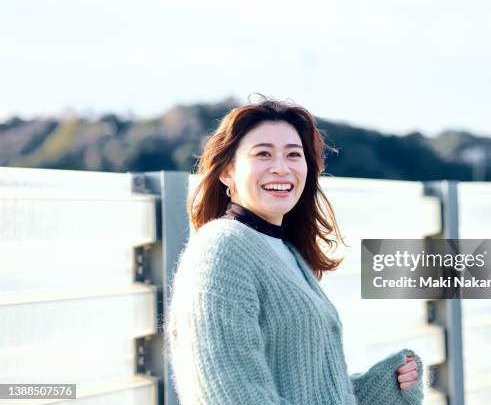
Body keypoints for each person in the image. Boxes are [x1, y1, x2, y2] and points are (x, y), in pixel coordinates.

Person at [164, 96, 425, 404]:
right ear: (227, 172)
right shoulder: (221, 250)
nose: (280, 168)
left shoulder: (286, 251)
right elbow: (230, 393)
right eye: (263, 154)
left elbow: (313, 393)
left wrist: (390, 384)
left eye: (293, 155)